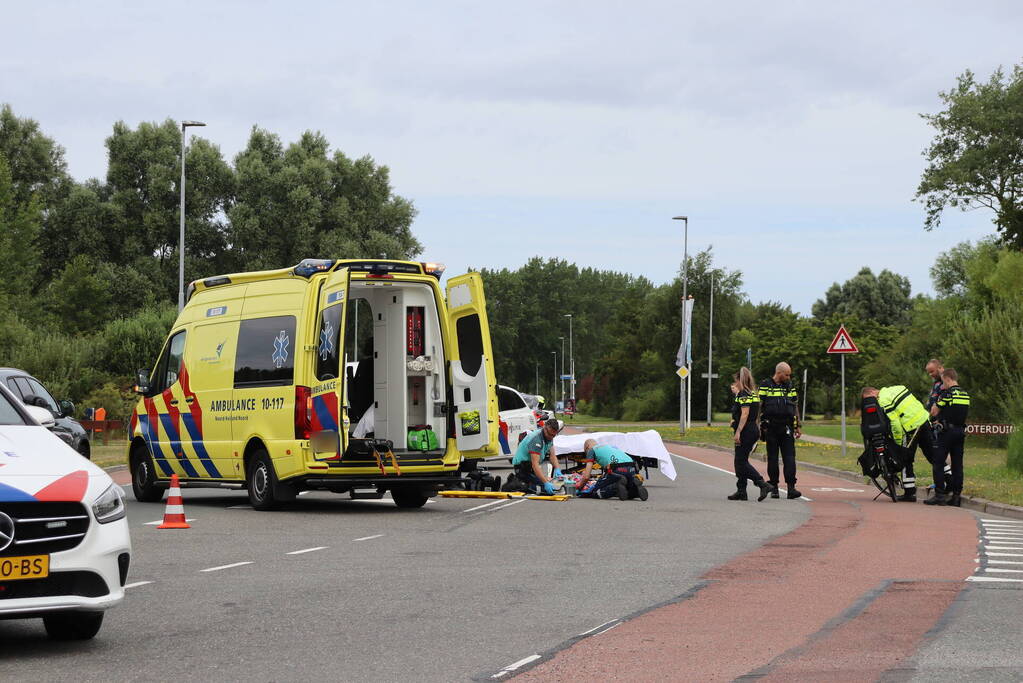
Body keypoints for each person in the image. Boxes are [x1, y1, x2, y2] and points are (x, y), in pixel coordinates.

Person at [860, 385, 938, 502]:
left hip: (910, 427)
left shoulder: (882, 400)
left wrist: (897, 444)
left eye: (869, 398)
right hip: (923, 420)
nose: (871, 402)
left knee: (905, 458)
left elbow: (896, 424)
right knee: (933, 455)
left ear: (872, 392)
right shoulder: (898, 388)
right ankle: (948, 484)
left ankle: (909, 492)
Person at [926, 368, 970, 507]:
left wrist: (935, 403)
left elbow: (934, 412)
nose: (942, 384)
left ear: (947, 378)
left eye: (943, 381)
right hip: (960, 432)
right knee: (958, 465)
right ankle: (956, 497)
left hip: (947, 432)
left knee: (938, 462)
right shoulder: (965, 394)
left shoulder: (947, 394)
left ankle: (939, 495)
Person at [758, 362, 802, 499]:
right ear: (779, 373)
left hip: (787, 426)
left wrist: (798, 425)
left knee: (789, 458)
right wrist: (757, 425)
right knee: (772, 458)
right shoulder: (765, 385)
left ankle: (791, 488)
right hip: (770, 427)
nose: (789, 377)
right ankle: (774, 488)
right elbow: (759, 405)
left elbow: (795, 406)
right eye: (787, 374)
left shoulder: (789, 386)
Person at [728, 368, 773, 501]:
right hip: (752, 428)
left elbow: (745, 414)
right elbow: (756, 413)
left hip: (745, 430)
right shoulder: (753, 393)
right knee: (740, 461)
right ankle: (741, 490)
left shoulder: (743, 394)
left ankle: (762, 483)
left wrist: (738, 432)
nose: (735, 384)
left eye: (736, 381)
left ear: (740, 380)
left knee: (740, 462)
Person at [575, 439, 648, 500]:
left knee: (596, 492)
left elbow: (586, 476)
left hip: (616, 469)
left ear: (587, 447)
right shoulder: (610, 446)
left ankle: (616, 486)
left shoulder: (592, 450)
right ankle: (635, 491)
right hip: (631, 467)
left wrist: (579, 487)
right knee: (624, 487)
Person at [507, 418, 565, 494]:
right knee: (543, 489)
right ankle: (512, 484)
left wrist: (557, 469)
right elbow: (535, 465)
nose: (551, 437)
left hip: (530, 468)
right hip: (522, 467)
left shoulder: (549, 436)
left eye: (553, 435)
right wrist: (545, 482)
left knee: (550, 484)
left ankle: (522, 482)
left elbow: (552, 456)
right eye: (550, 434)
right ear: (544, 427)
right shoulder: (536, 439)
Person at [925, 359, 953, 491]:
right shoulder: (936, 383)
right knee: (937, 455)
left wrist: (940, 419)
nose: (930, 374)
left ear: (940, 368)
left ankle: (946, 482)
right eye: (928, 372)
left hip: (941, 423)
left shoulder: (945, 383)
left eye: (932, 371)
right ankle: (942, 481)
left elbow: (945, 403)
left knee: (941, 455)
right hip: (933, 422)